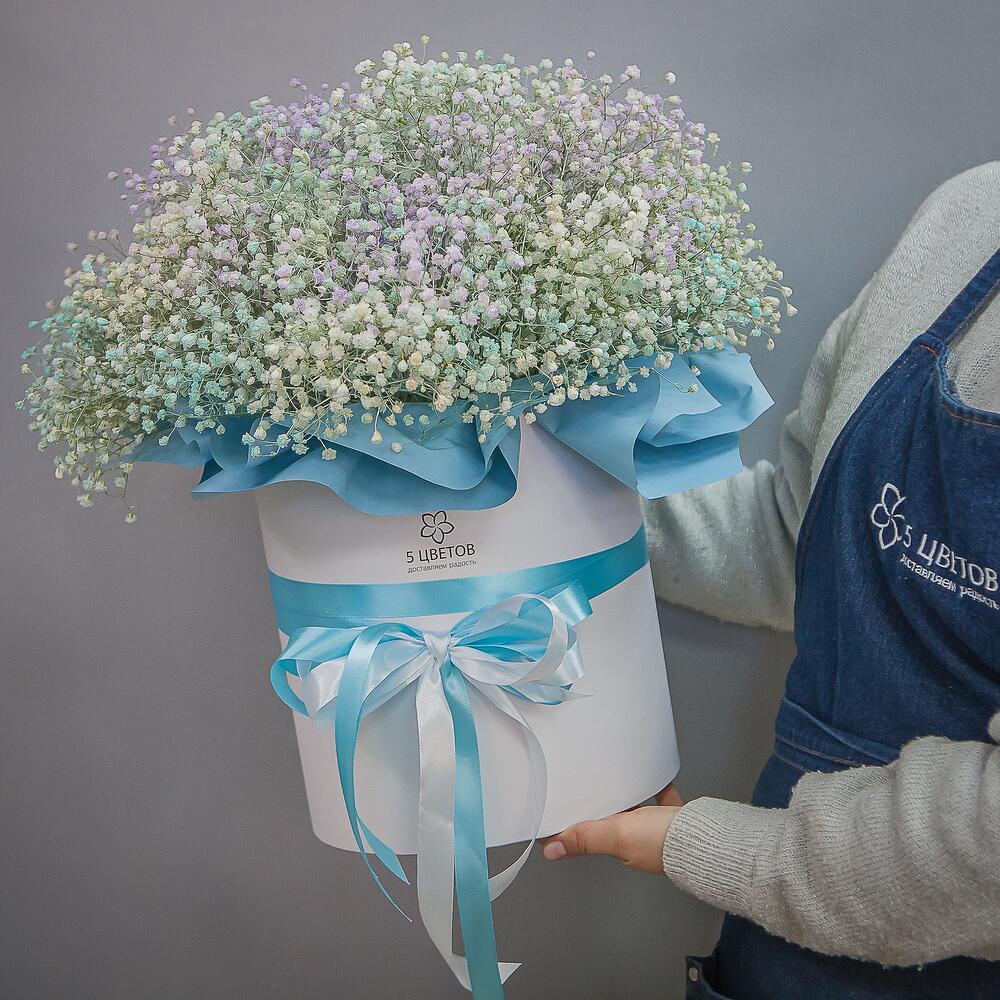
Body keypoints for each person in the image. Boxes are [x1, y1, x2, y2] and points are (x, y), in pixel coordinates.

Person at [541, 163, 1000, 999]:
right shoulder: (969, 215)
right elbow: (807, 541)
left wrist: (720, 848)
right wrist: (538, 485)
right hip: (785, 945)